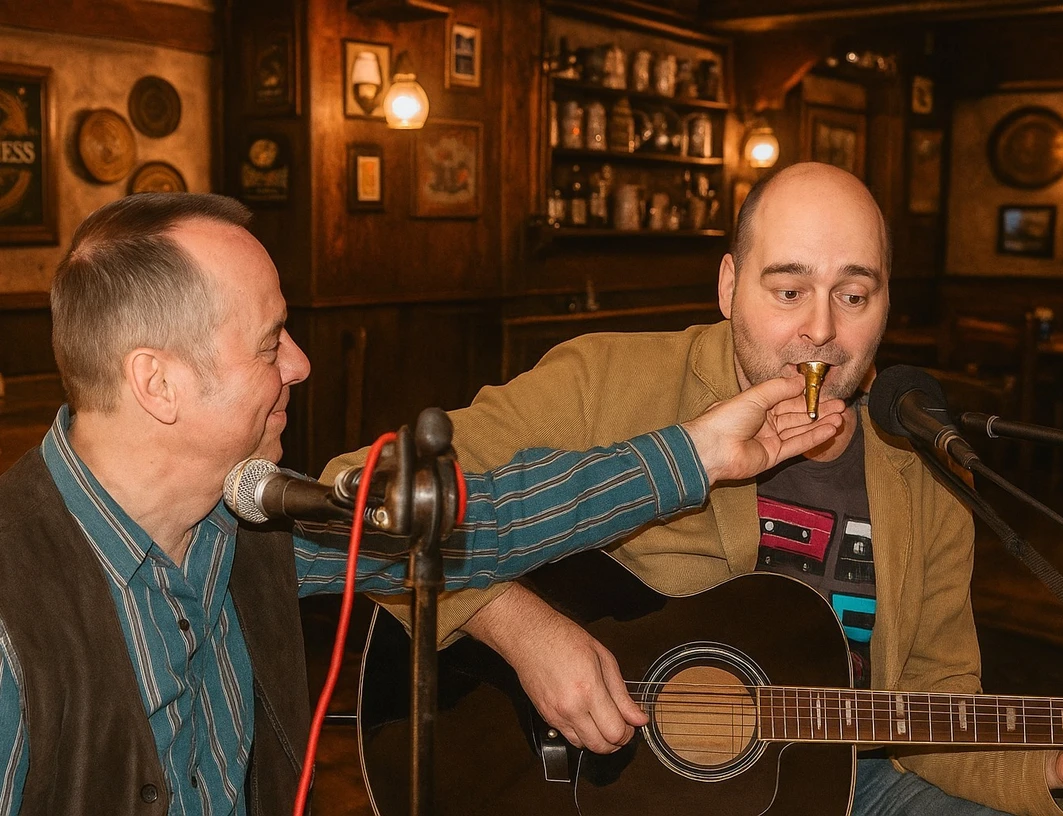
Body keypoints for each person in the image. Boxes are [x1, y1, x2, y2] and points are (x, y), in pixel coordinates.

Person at [0, 192, 846, 815]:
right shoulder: (13, 616)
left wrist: (698, 450)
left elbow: (488, 519)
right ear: (159, 384)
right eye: (269, 344)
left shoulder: (240, 521)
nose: (297, 365)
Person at [328, 162, 1063, 816]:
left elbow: (930, 708)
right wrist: (518, 626)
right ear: (728, 285)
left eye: (853, 296)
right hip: (607, 790)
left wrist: (1052, 767)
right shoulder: (606, 381)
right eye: (788, 290)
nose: (820, 330)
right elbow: (356, 489)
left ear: (886, 302)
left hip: (846, 779)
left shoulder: (922, 465)